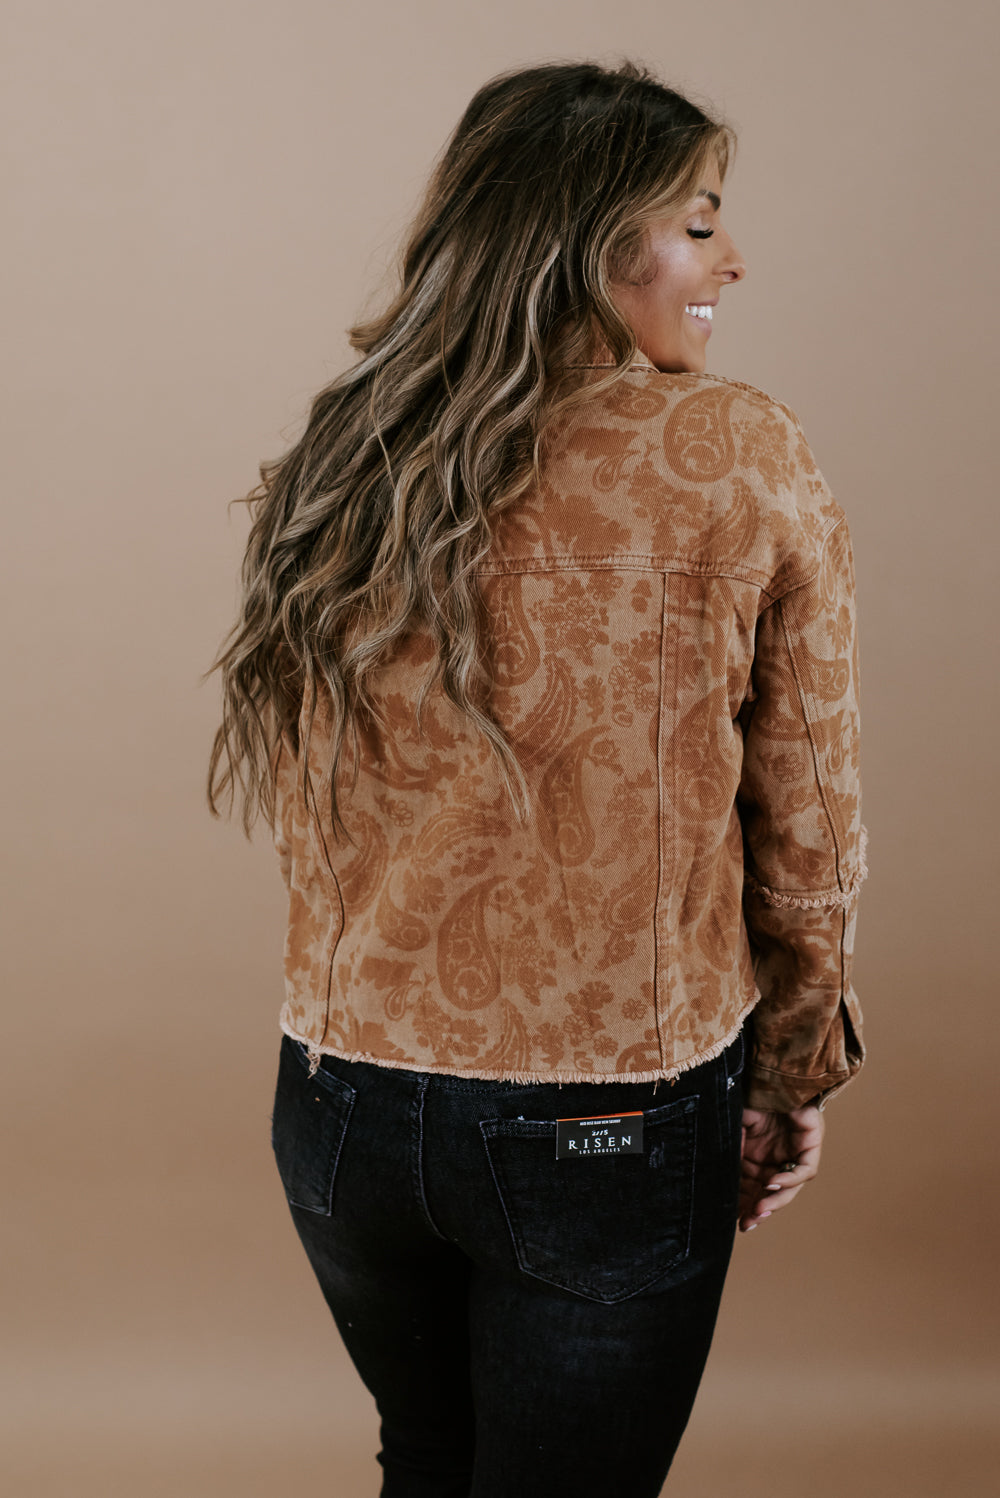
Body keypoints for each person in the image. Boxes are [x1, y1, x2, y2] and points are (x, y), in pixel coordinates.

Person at [206, 58, 867, 1498]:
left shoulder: (353, 444)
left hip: (340, 1111)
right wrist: (794, 1062)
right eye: (700, 221)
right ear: (594, 239)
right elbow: (808, 814)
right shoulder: (735, 451)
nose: (732, 261)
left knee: (429, 1462)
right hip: (600, 1122)